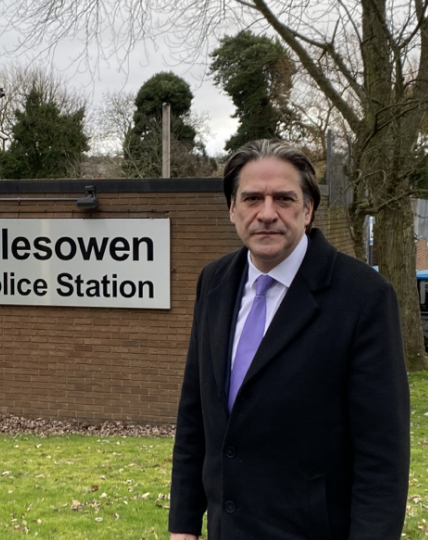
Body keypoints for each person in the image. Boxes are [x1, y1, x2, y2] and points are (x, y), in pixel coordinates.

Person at [168, 139, 410, 540]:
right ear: (232, 209)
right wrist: (183, 527)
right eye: (251, 199)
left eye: (283, 198)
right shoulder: (213, 283)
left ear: (308, 209)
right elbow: (195, 416)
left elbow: (382, 459)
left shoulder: (363, 297)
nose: (266, 214)